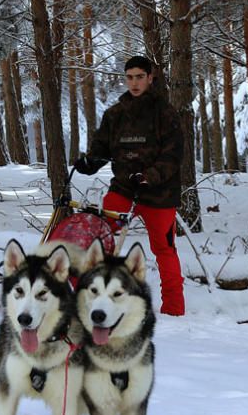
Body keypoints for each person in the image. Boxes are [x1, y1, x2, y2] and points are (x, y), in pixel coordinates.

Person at [73, 55, 185, 316]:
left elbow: (173, 156)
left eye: (139, 77)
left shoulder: (166, 113)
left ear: (150, 78)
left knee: (164, 249)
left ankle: (174, 310)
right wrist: (90, 162)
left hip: (160, 194)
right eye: (130, 77)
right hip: (123, 189)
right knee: (99, 239)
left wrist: (151, 176)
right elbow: (102, 147)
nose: (134, 83)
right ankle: (92, 295)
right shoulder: (115, 114)